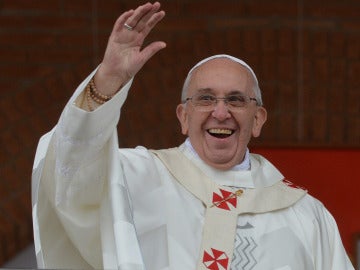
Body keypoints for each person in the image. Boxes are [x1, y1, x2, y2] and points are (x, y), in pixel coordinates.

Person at [31, 2, 354, 270]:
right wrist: (108, 80)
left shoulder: (305, 214)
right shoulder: (136, 178)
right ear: (183, 117)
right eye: (205, 98)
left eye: (236, 100)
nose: (221, 112)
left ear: (258, 120)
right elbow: (69, 173)